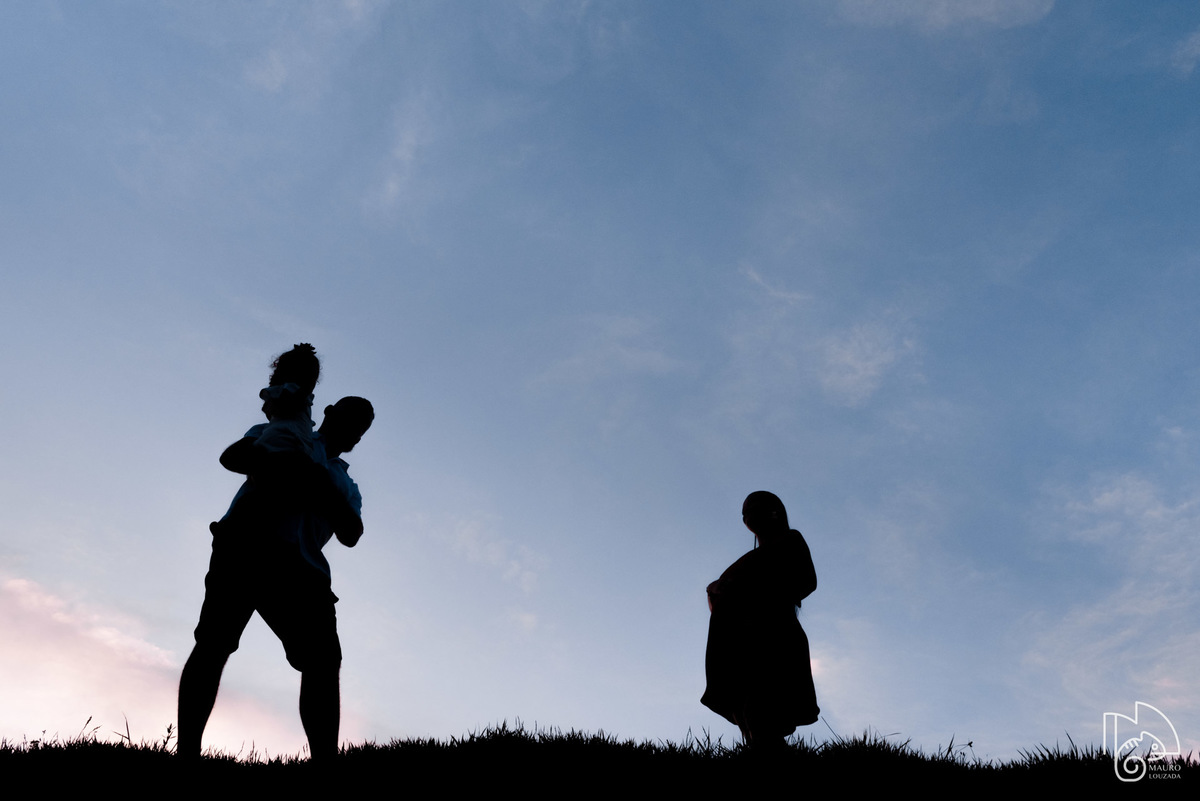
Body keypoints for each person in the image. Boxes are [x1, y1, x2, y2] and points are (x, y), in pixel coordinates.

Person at [178, 387, 375, 762]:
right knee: (214, 643)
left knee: (322, 662)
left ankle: (325, 764)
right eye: (350, 419)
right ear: (329, 411)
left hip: (304, 572)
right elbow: (233, 457)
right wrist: (292, 466)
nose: (355, 431)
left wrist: (318, 482)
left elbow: (352, 533)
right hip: (245, 546)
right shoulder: (284, 430)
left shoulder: (347, 484)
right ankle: (186, 755)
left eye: (361, 428)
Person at [701, 491, 819, 749]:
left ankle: (768, 747)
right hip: (740, 638)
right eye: (745, 511)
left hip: (773, 633)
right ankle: (760, 746)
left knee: (764, 697)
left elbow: (807, 581)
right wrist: (718, 590)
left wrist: (758, 591)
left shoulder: (790, 540)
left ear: (775, 511)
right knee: (744, 700)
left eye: (755, 507)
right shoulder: (748, 560)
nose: (748, 514)